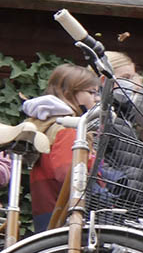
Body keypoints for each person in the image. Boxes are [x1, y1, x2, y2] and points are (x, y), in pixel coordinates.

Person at [23, 64, 100, 232]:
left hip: (48, 211)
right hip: (64, 214)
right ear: (69, 94)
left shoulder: (48, 124)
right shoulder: (67, 130)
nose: (96, 99)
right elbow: (68, 174)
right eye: (91, 92)